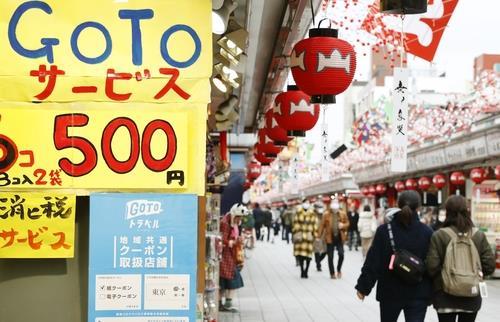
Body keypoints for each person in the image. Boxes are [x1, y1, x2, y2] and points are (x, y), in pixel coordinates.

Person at [355, 190, 433, 322]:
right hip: (418, 292)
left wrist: (363, 287)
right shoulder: (427, 232)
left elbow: (373, 262)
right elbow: (432, 264)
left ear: (397, 204)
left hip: (390, 291)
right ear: (419, 207)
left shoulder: (384, 231)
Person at [426, 195, 495, 322]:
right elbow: (490, 266)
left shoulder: (439, 235)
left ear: (447, 212)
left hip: (444, 296)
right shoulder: (478, 235)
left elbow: (431, 267)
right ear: (467, 211)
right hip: (471, 295)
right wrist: (475, 274)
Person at [219, 203, 248, 312]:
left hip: (229, 255)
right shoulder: (226, 223)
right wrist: (235, 241)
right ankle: (225, 304)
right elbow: (222, 240)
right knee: (231, 279)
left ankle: (224, 304)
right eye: (240, 217)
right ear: (235, 215)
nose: (241, 219)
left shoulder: (231, 222)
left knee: (225, 280)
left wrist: (238, 240)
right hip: (225, 255)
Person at [317, 197, 349, 279]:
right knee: (330, 256)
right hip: (329, 238)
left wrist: (343, 225)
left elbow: (347, 223)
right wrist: (318, 236)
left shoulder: (342, 214)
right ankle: (332, 273)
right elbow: (321, 226)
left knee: (341, 254)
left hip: (339, 237)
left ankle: (338, 269)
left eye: (336, 203)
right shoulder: (326, 214)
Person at [292, 199, 318, 278]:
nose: (307, 204)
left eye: (308, 202)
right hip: (300, 236)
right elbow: (295, 223)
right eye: (305, 202)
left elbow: (315, 224)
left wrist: (315, 234)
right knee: (300, 255)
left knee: (308, 256)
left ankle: (306, 270)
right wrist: (296, 232)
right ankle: (302, 270)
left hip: (309, 236)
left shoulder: (312, 213)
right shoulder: (298, 211)